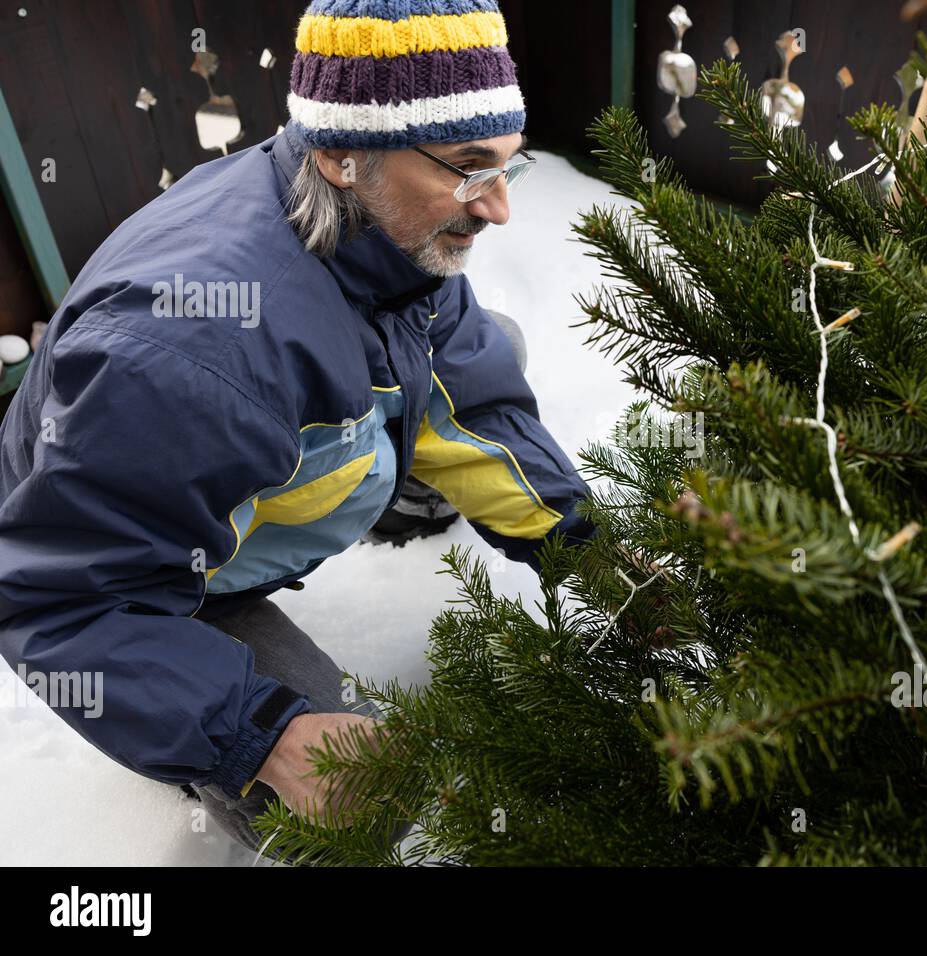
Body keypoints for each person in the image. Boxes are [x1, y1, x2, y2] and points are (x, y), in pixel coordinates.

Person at [0, 0, 597, 860]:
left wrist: (584, 549)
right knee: (358, 793)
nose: (500, 208)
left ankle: (379, 495)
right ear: (343, 155)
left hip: (236, 463)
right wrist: (262, 736)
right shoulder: (181, 359)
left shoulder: (385, 225)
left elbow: (470, 386)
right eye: (470, 169)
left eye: (509, 164)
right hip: (150, 572)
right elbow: (56, 601)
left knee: (493, 343)